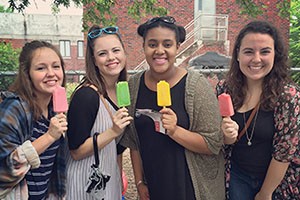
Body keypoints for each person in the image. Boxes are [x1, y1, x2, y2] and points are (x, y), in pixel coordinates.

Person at [120, 16, 225, 200]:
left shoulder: (196, 86)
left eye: (167, 44)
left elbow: (213, 144)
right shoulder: (134, 85)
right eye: (152, 44)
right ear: (144, 47)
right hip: (154, 186)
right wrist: (139, 182)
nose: (159, 51)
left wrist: (175, 131)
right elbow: (133, 141)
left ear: (177, 47)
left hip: (190, 187)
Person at [216, 20, 300, 200]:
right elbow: (215, 138)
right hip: (238, 177)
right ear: (237, 54)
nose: (256, 59)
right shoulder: (224, 90)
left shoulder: (288, 97)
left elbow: (285, 151)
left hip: (278, 181)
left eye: (265, 52)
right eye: (248, 51)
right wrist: (225, 137)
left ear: (275, 56)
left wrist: (265, 193)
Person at [65, 25, 132, 200]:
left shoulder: (122, 94)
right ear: (94, 60)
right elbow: (76, 151)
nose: (111, 57)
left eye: (116, 50)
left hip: (109, 185)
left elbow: (117, 151)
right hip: (84, 187)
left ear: (124, 54)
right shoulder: (86, 96)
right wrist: (113, 132)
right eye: (102, 53)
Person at [0, 40, 68, 199]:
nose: (51, 73)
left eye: (56, 66)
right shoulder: (13, 109)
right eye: (41, 68)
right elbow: (3, 171)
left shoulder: (54, 110)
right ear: (27, 74)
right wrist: (49, 137)